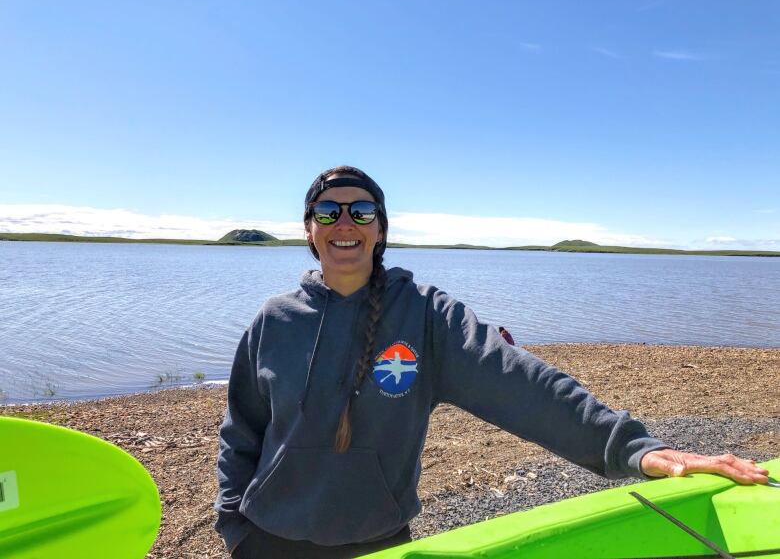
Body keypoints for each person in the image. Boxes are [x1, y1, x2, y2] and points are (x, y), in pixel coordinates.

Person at [215, 166, 769, 559]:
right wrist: (232, 524)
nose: (346, 222)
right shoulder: (275, 320)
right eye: (328, 211)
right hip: (266, 540)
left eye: (362, 210)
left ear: (381, 228)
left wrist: (639, 451)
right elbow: (241, 431)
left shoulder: (427, 317)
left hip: (376, 540)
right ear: (309, 229)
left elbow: (523, 386)